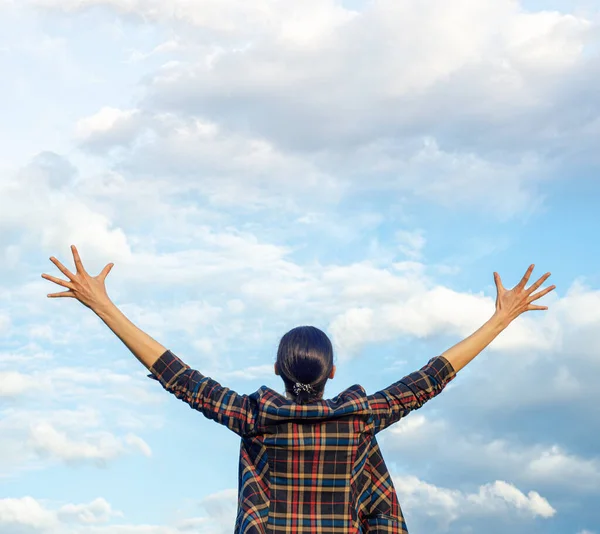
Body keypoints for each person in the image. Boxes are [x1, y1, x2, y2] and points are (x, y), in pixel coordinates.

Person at [42, 245, 556, 533]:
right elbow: (432, 376)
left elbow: (181, 377)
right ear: (332, 372)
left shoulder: (255, 417)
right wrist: (501, 318)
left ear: (277, 369)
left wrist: (103, 306)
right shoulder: (361, 416)